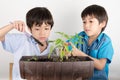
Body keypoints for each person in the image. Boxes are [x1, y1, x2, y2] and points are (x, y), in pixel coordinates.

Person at [0, 7, 54, 80]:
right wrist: (12, 25)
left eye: (46, 28)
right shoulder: (21, 40)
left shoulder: (53, 47)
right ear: (29, 28)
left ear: (50, 28)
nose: (42, 33)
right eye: (37, 29)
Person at [67, 4, 114, 80]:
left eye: (91, 21)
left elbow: (100, 65)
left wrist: (79, 54)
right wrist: (67, 50)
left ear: (102, 23)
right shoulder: (80, 36)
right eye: (84, 22)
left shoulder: (105, 41)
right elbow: (67, 44)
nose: (86, 25)